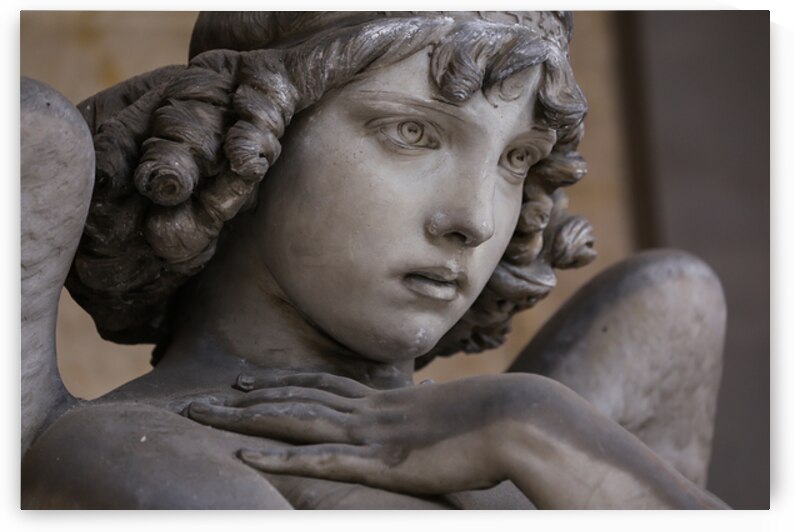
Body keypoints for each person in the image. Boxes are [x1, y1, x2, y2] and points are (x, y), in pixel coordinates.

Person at [21, 12, 728, 509]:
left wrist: (528, 423)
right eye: (412, 132)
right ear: (250, 136)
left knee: (676, 296)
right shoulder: (125, 458)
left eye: (516, 159)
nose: (474, 220)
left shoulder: (522, 441)